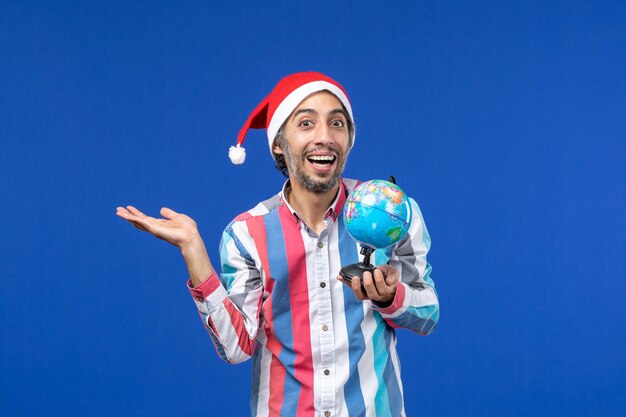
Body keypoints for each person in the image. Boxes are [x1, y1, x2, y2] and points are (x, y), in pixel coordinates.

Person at [116, 72, 439, 417]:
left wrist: (390, 296)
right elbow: (235, 347)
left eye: (337, 123)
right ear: (278, 144)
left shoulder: (390, 213)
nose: (324, 137)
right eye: (306, 123)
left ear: (349, 138)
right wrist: (193, 250)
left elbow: (428, 314)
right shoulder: (246, 234)